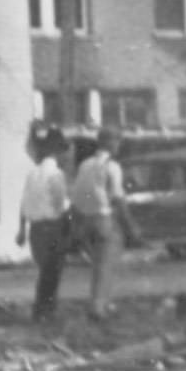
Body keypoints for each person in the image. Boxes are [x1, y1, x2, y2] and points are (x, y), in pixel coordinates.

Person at [69, 126, 142, 321]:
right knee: (107, 263)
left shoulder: (85, 165)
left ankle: (102, 303)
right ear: (107, 143)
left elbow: (77, 195)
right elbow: (118, 198)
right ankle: (98, 307)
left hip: (85, 220)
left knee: (98, 264)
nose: (118, 145)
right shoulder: (112, 166)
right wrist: (131, 226)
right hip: (103, 219)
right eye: (116, 141)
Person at [15, 127, 70, 322]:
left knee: (45, 270)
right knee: (52, 272)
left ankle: (43, 310)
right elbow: (61, 205)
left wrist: (21, 230)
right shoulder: (56, 175)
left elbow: (23, 204)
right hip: (52, 228)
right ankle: (45, 311)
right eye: (63, 152)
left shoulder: (32, 174)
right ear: (57, 152)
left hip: (35, 230)